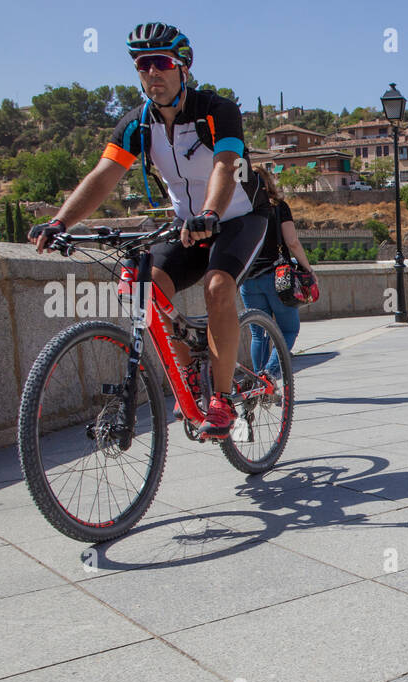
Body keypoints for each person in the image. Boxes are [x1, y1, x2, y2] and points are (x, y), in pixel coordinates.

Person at [29, 22, 272, 440]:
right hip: (188, 225)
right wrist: (60, 222)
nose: (152, 73)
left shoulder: (217, 110)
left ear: (184, 67)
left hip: (239, 217)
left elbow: (226, 164)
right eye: (143, 65)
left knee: (218, 287)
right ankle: (191, 376)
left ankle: (223, 399)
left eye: (161, 63)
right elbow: (104, 175)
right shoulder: (136, 125)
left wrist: (211, 212)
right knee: (147, 287)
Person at [239, 165, 315, 382]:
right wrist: (308, 270)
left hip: (248, 278)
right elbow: (292, 242)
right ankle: (269, 376)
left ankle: (257, 384)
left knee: (258, 333)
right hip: (277, 277)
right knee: (289, 330)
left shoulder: (240, 210)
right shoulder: (278, 207)